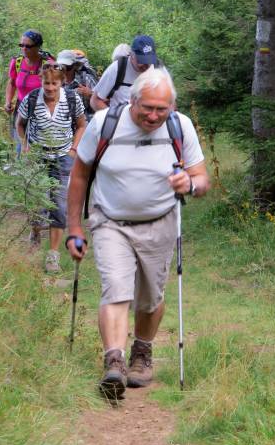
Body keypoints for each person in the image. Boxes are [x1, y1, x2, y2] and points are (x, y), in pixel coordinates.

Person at [66, 67, 209, 399]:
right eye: (148, 108)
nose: (154, 116)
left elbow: (202, 179)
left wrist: (189, 184)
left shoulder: (180, 126)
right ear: (132, 101)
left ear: (171, 106)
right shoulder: (104, 124)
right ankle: (114, 362)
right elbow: (79, 175)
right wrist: (74, 227)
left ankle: (141, 351)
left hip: (160, 222)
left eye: (162, 109)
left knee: (150, 298)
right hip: (110, 220)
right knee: (116, 288)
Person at [17, 63, 86, 273]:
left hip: (63, 157)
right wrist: (25, 145)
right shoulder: (31, 99)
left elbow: (81, 124)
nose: (50, 88)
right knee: (38, 203)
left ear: (62, 82)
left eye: (54, 83)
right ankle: (36, 231)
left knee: (59, 206)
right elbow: (20, 124)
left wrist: (73, 149)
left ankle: (53, 255)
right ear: (41, 81)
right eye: (46, 83)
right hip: (38, 156)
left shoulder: (72, 99)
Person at [4, 30, 53, 154]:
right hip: (21, 108)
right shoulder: (17, 62)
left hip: (42, 110)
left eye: (28, 46)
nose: (24, 49)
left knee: (40, 149)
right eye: (21, 45)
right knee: (21, 147)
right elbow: (12, 83)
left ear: (38, 47)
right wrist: (8, 101)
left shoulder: (48, 64)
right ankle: (21, 163)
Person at [89, 34, 159, 112]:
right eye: (141, 60)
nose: (145, 65)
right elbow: (95, 101)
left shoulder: (157, 70)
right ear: (131, 55)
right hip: (120, 116)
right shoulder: (117, 68)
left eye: (148, 60)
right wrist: (114, 116)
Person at [56, 49, 98, 121]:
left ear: (75, 66)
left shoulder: (86, 79)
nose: (64, 70)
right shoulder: (54, 81)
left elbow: (103, 100)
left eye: (67, 67)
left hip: (85, 121)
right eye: (61, 67)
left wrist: (90, 94)